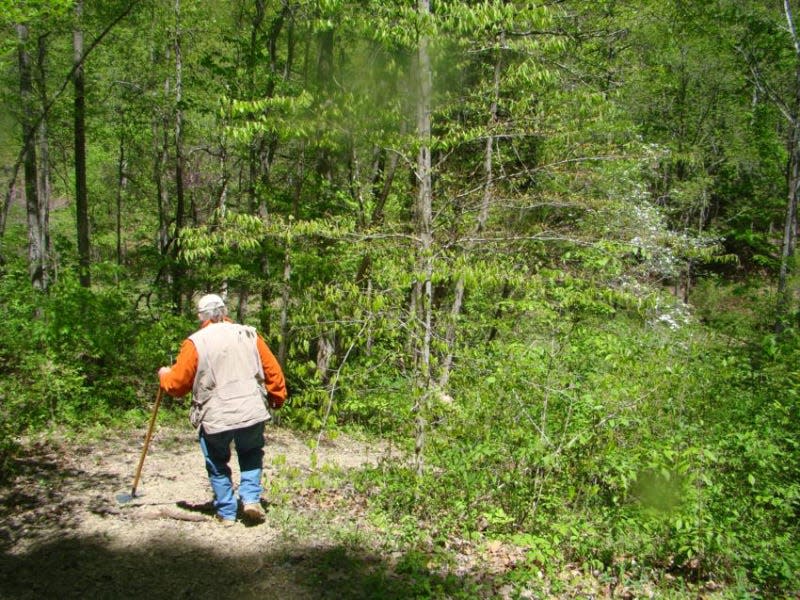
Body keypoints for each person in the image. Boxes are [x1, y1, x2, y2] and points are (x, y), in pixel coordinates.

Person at [158, 293, 287, 526]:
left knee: (217, 461)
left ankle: (226, 512)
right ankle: (250, 499)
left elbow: (177, 385)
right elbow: (272, 370)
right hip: (250, 409)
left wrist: (164, 376)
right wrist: (277, 397)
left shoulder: (196, 342)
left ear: (201, 316)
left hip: (215, 414)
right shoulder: (249, 334)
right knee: (251, 453)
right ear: (224, 311)